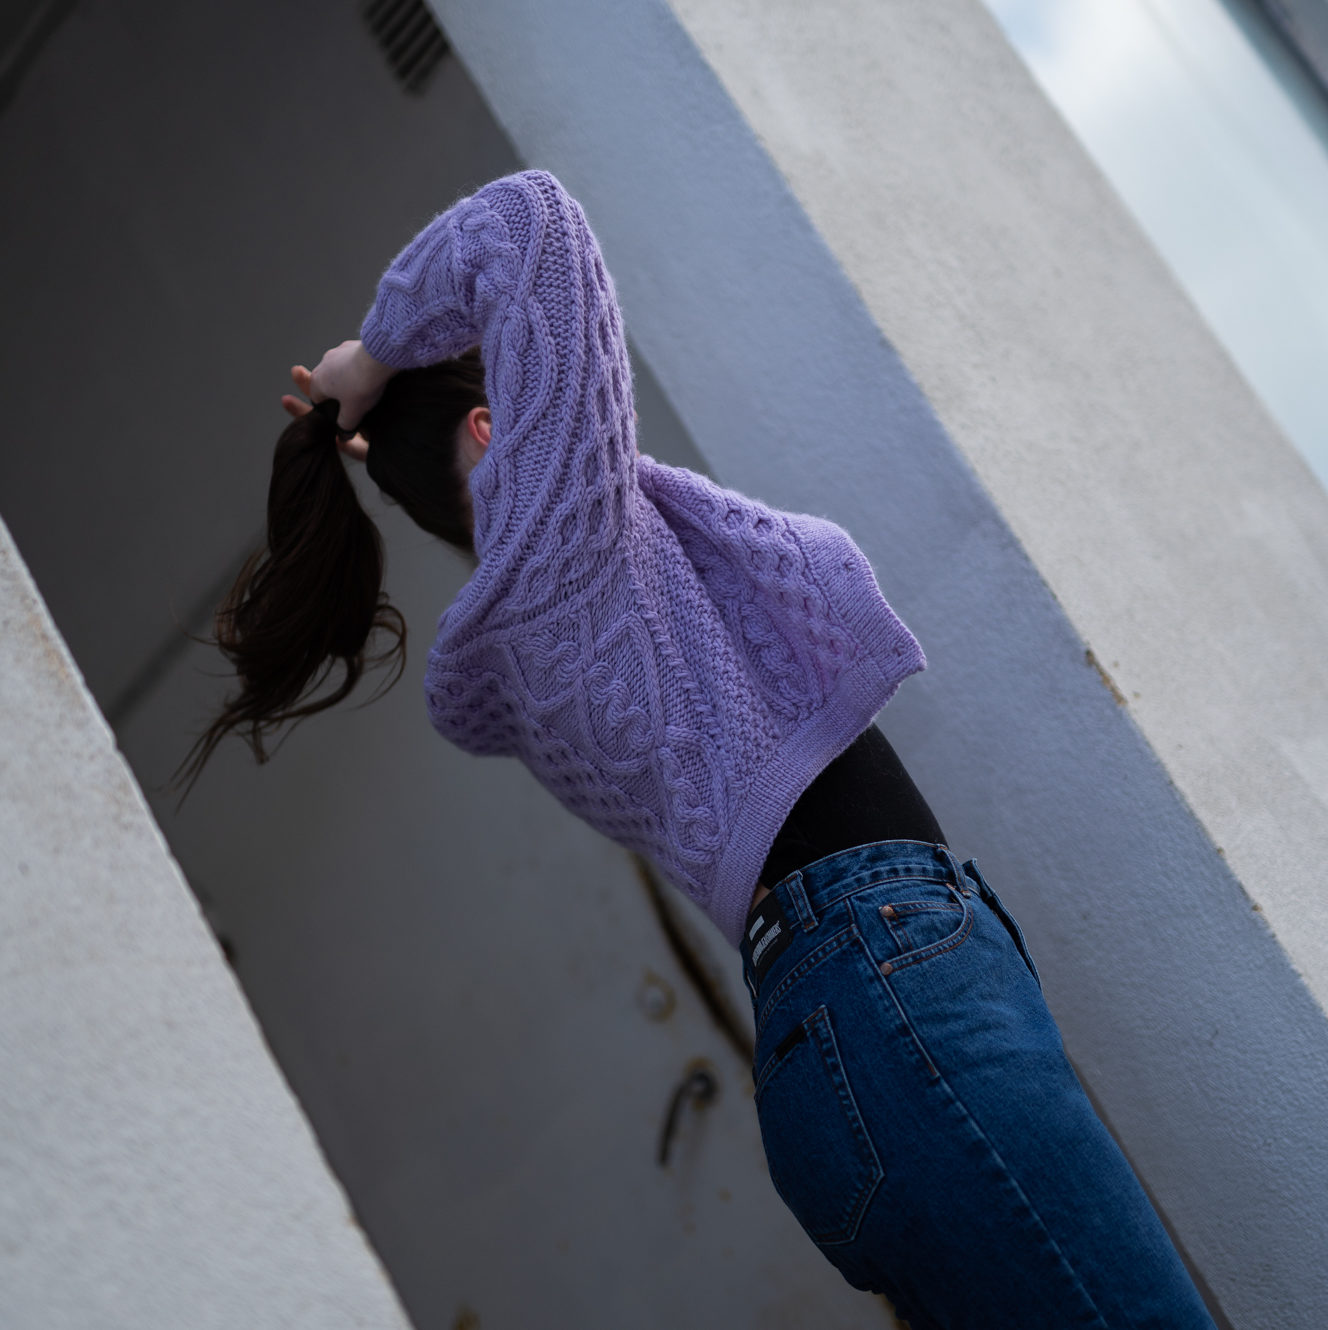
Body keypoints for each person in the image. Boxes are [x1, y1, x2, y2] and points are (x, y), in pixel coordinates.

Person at [188, 170, 1217, 1329]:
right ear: (494, 428)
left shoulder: (525, 653)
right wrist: (369, 358)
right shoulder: (554, 536)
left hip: (827, 1029)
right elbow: (531, 220)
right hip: (882, 980)